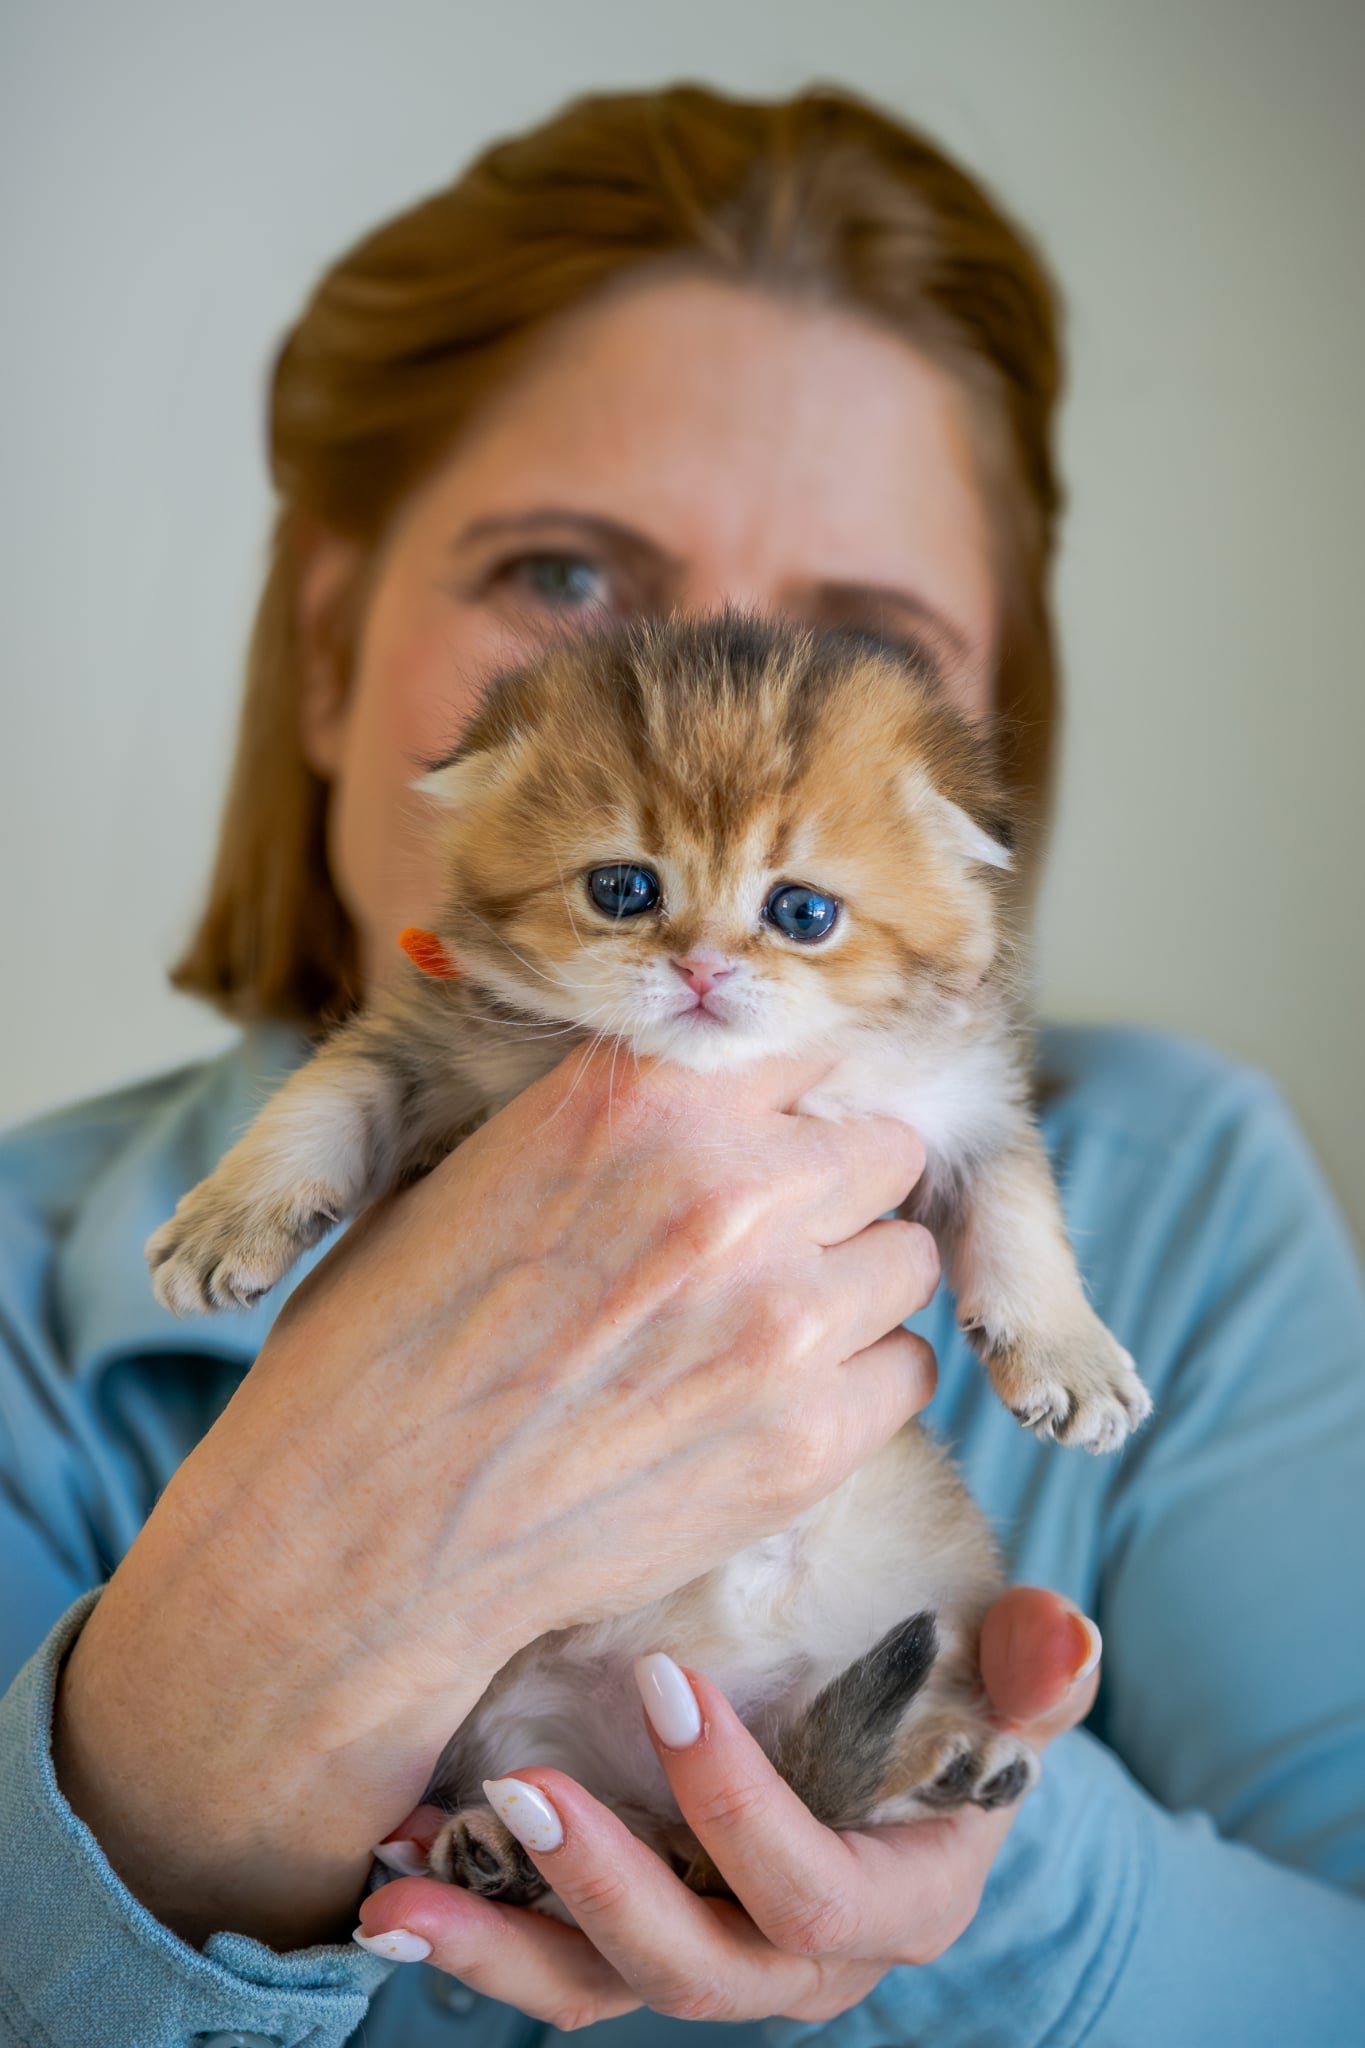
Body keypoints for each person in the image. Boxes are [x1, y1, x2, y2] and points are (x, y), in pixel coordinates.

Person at [1, 82, 1362, 2048]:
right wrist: (240, 1654)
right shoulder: (29, 1299)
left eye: (858, 646)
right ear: (325, 649)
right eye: (565, 578)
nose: (708, 723)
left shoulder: (1185, 1196)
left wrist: (978, 1874)